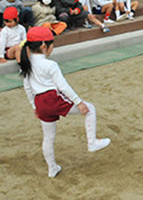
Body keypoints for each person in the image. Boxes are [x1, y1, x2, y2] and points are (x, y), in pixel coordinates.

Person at [20, 27, 110, 177]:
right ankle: (92, 142)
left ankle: (52, 168)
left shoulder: (27, 64)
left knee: (48, 137)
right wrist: (78, 102)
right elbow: (63, 86)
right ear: (44, 45)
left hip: (40, 103)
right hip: (52, 99)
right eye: (52, 44)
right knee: (90, 108)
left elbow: (28, 88)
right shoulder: (50, 65)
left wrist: (34, 106)